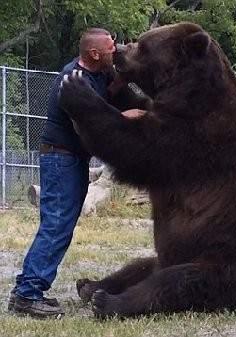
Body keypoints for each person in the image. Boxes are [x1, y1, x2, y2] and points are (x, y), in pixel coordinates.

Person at [6, 28, 138, 319]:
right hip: (60, 159)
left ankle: (24, 290)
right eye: (110, 47)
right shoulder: (72, 82)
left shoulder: (98, 75)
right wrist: (123, 117)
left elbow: (112, 90)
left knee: (57, 227)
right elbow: (92, 121)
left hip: (72, 159)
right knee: (56, 227)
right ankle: (28, 296)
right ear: (94, 53)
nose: (115, 50)